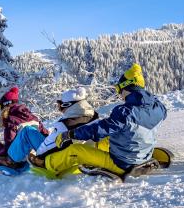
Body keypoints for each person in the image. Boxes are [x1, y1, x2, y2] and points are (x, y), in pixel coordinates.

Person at [29, 63, 167, 177]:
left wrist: (70, 134)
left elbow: (99, 129)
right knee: (110, 137)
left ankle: (46, 164)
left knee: (75, 150)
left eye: (119, 89)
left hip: (122, 163)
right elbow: (135, 125)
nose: (119, 95)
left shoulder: (125, 112)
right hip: (143, 154)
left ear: (128, 87)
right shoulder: (159, 107)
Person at [6, 87, 98, 163]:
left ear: (68, 104)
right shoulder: (94, 116)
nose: (59, 107)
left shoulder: (66, 124)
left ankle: (10, 161)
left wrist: (38, 157)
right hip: (81, 153)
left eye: (60, 104)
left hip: (56, 159)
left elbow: (44, 150)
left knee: (27, 131)